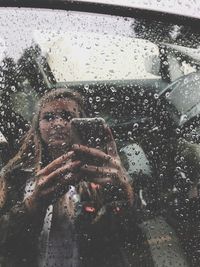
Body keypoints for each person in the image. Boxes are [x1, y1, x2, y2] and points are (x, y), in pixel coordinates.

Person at [0, 87, 142, 267]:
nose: (58, 123)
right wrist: (33, 204)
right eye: (48, 117)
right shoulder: (16, 176)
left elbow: (130, 236)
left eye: (67, 117)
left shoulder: (103, 173)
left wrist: (125, 191)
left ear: (81, 122)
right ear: (38, 127)